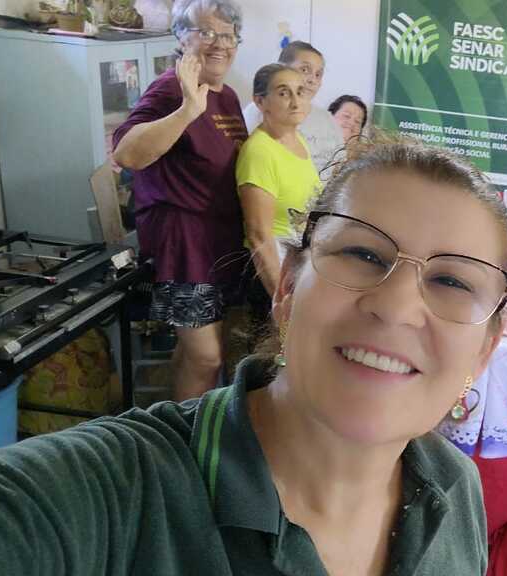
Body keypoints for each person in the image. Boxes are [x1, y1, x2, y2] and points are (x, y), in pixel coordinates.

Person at [0, 136, 507, 575]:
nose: (396, 307)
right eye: (362, 253)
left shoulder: (455, 488)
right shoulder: (112, 494)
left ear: (485, 350)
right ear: (287, 288)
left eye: (452, 281)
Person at [113, 0, 248, 402]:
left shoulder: (228, 96)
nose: (219, 44)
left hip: (219, 241)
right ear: (180, 37)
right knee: (207, 358)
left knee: (197, 355)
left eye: (228, 35)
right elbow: (127, 153)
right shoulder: (171, 89)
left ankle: (174, 414)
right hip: (185, 244)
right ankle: (187, 433)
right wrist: (188, 110)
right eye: (206, 32)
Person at [237, 63, 322, 336]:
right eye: (284, 93)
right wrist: (280, 299)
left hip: (296, 266)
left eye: (300, 92)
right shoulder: (260, 152)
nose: (296, 101)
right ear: (260, 101)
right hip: (271, 274)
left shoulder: (298, 141)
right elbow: (259, 236)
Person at [243, 41, 344, 182]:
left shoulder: (326, 119)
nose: (312, 80)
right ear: (281, 68)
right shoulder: (258, 113)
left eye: (318, 74)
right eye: (305, 70)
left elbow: (340, 164)